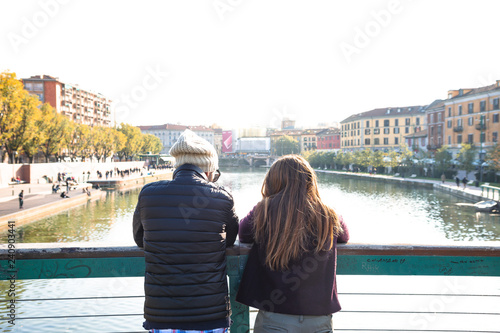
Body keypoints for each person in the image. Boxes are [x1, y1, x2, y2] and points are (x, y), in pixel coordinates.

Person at [133, 129, 239, 333]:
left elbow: (139, 239)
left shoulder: (148, 193)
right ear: (209, 170)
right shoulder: (222, 197)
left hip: (162, 315)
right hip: (210, 315)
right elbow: (229, 241)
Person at [236, 155, 349, 333]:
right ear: (309, 180)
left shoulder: (264, 209)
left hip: (274, 317)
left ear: (273, 180)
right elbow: (344, 237)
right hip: (319, 319)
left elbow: (243, 234)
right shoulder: (328, 213)